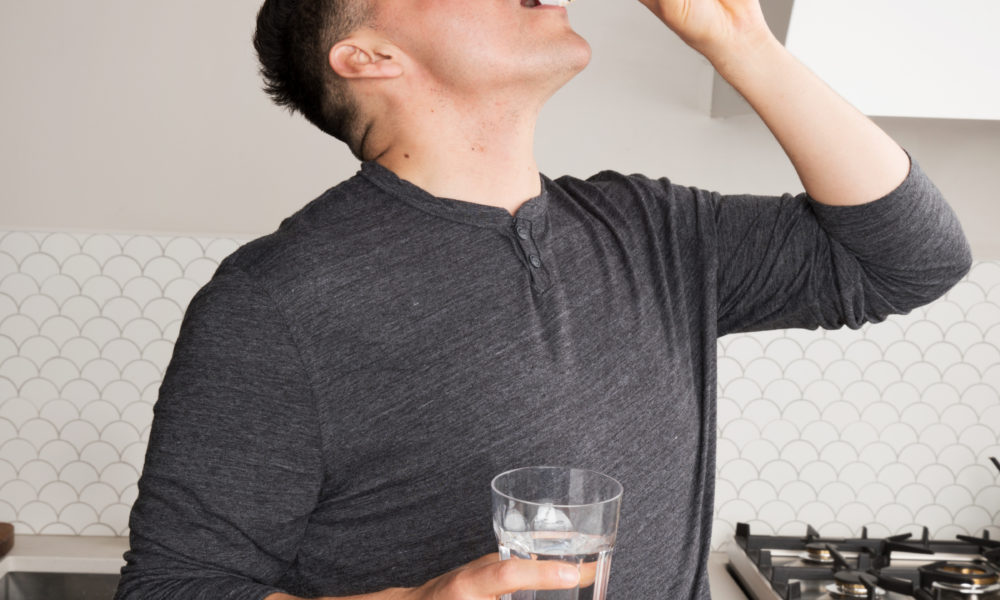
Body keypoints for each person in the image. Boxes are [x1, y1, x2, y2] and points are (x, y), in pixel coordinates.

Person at [113, 0, 972, 597]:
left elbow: (914, 260)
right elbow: (174, 586)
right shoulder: (276, 302)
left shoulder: (654, 229)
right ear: (370, 56)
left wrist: (742, 41)